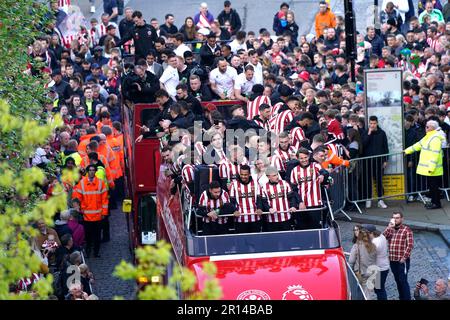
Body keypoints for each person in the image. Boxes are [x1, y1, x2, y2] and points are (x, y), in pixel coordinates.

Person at [404, 120, 445, 209]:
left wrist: (431, 168)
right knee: (432, 187)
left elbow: (435, 154)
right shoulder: (429, 136)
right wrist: (407, 151)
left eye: (427, 127)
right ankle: (434, 202)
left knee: (434, 187)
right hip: (431, 169)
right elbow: (418, 145)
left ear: (432, 128)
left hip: (433, 169)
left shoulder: (435, 138)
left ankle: (436, 203)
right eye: (426, 126)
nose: (425, 128)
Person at [72, 164, 108, 258]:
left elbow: (105, 200)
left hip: (98, 216)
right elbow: (77, 197)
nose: (92, 172)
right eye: (90, 170)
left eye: (93, 170)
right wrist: (77, 207)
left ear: (95, 171)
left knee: (97, 236)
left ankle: (96, 252)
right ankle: (88, 251)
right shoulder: (82, 183)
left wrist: (104, 213)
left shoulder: (100, 183)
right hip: (87, 216)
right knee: (88, 236)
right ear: (88, 172)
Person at [383, 211, 414, 300]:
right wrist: (389, 227)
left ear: (401, 219)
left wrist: (404, 258)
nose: (395, 220)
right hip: (393, 260)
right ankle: (401, 297)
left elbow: (410, 245)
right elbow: (382, 237)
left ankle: (407, 298)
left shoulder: (406, 230)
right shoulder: (391, 229)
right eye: (394, 218)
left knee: (403, 281)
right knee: (397, 280)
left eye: (397, 218)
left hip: (402, 261)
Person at [362, 116, 389, 209]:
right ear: (369, 123)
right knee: (367, 181)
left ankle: (380, 200)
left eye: (374, 123)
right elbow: (363, 145)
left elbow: (385, 147)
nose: (372, 125)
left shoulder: (382, 133)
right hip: (367, 161)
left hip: (379, 161)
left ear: (377, 123)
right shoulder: (365, 133)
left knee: (379, 181)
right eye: (371, 123)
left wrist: (385, 160)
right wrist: (369, 134)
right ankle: (368, 199)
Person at [261, 166, 297, 231]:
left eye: (277, 174)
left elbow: (291, 197)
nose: (277, 177)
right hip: (272, 220)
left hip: (286, 217)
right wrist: (269, 209)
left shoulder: (285, 183)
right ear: (268, 177)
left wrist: (293, 206)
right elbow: (264, 202)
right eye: (274, 175)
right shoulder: (264, 187)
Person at [363, 224, 390, 300]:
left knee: (379, 289)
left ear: (371, 233)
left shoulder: (375, 243)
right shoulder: (381, 236)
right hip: (383, 267)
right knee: (379, 288)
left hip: (379, 269)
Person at [349, 228, 377, 299]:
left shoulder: (356, 246)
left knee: (362, 293)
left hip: (362, 273)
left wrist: (351, 271)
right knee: (369, 292)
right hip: (373, 272)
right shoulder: (374, 245)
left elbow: (351, 261)